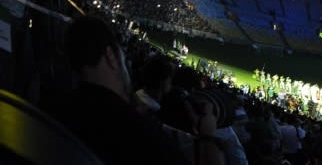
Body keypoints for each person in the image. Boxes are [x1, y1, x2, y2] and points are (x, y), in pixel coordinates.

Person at [44, 15, 224, 165]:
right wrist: (208, 136)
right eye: (122, 56)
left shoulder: (54, 108)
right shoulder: (143, 137)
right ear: (111, 57)